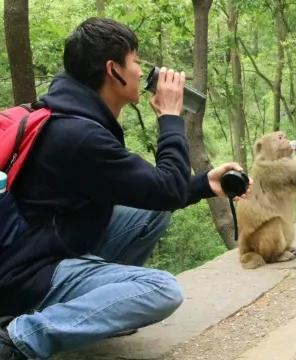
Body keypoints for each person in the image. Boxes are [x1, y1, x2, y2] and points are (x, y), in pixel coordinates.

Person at [0, 17, 248, 360]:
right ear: (113, 70)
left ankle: (96, 310)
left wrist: (206, 183)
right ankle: (18, 339)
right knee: (161, 290)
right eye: (136, 62)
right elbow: (166, 189)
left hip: (45, 244)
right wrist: (170, 118)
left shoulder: (70, 115)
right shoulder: (79, 135)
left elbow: (156, 192)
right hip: (28, 274)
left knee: (150, 215)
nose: (142, 71)